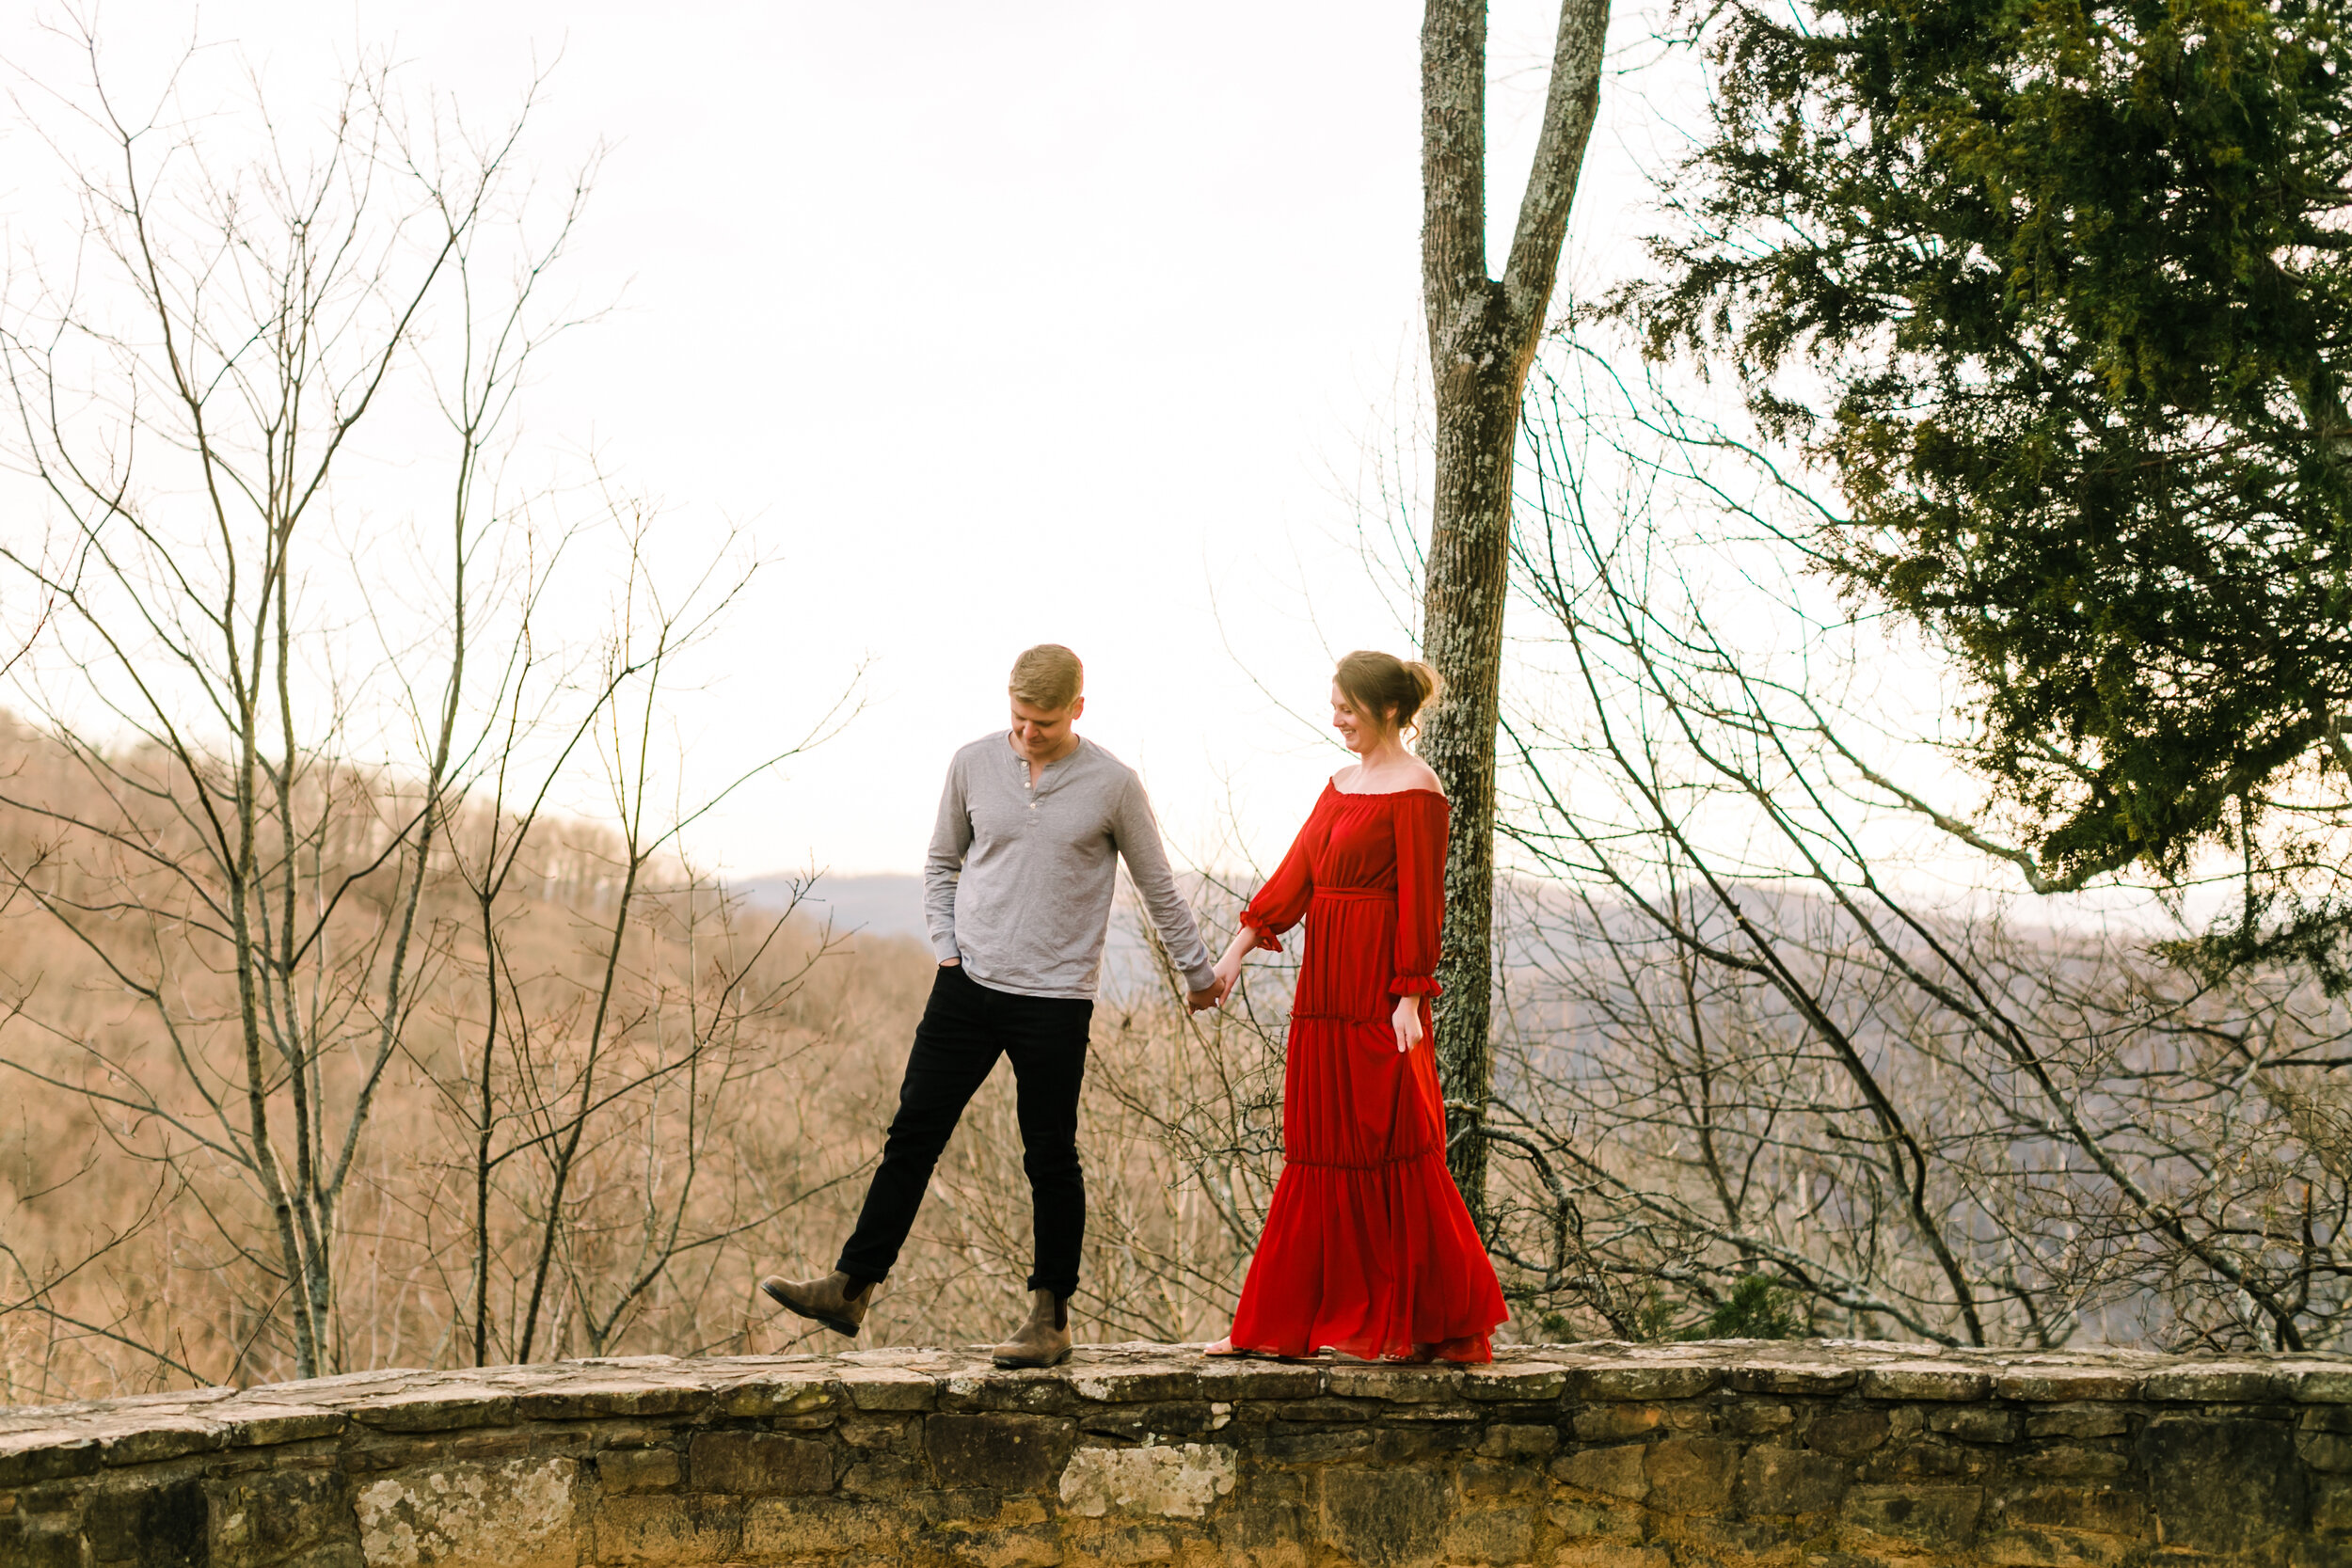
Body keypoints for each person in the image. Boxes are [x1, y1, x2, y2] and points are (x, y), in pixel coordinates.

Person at [760, 644, 1227, 1369]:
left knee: (1049, 1155)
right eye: (1017, 718)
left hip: (1055, 999)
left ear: (1077, 707)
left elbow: (1158, 886)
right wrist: (947, 944)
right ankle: (851, 1288)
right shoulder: (972, 763)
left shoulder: (1114, 785)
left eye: (1042, 721)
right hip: (968, 986)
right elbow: (942, 860)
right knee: (912, 1134)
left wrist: (1198, 971)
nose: (1027, 733)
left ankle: (1050, 1318)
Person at [1204, 650, 1507, 1362]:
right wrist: (1236, 951)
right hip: (1324, 994)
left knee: (1395, 1144)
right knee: (1317, 1150)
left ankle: (1418, 1323)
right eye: (1334, 704)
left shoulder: (1419, 789)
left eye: (1347, 706)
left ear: (1390, 712)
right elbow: (1297, 872)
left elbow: (1422, 900)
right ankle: (1273, 1326)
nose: (1336, 717)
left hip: (1381, 991)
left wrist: (1409, 993)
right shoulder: (1339, 786)